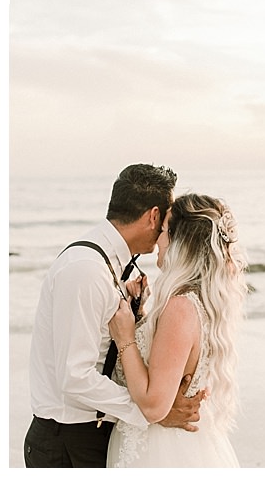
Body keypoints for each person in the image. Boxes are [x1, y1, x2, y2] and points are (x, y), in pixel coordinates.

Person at [24, 164, 205, 468]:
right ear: (153, 216)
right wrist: (151, 412)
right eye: (167, 220)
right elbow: (75, 377)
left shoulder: (116, 264)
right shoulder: (85, 271)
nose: (167, 232)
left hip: (97, 432)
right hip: (67, 441)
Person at [106, 193, 247, 467]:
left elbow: (153, 404)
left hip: (160, 450)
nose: (158, 238)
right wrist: (140, 315)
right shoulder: (196, 301)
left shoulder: (180, 308)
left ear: (181, 242)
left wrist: (124, 338)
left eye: (165, 230)